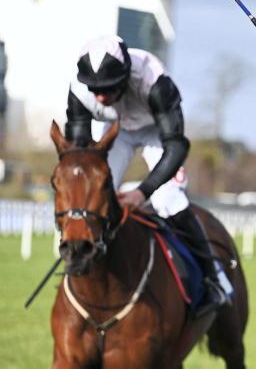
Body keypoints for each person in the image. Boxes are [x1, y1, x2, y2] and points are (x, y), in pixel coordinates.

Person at [64, 35, 228, 317]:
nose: (100, 97)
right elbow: (77, 156)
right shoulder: (79, 91)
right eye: (95, 89)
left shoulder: (155, 81)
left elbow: (176, 146)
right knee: (89, 197)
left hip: (157, 132)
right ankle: (77, 267)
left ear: (125, 76)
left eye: (108, 88)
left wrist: (143, 191)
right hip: (117, 131)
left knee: (169, 200)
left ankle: (213, 276)